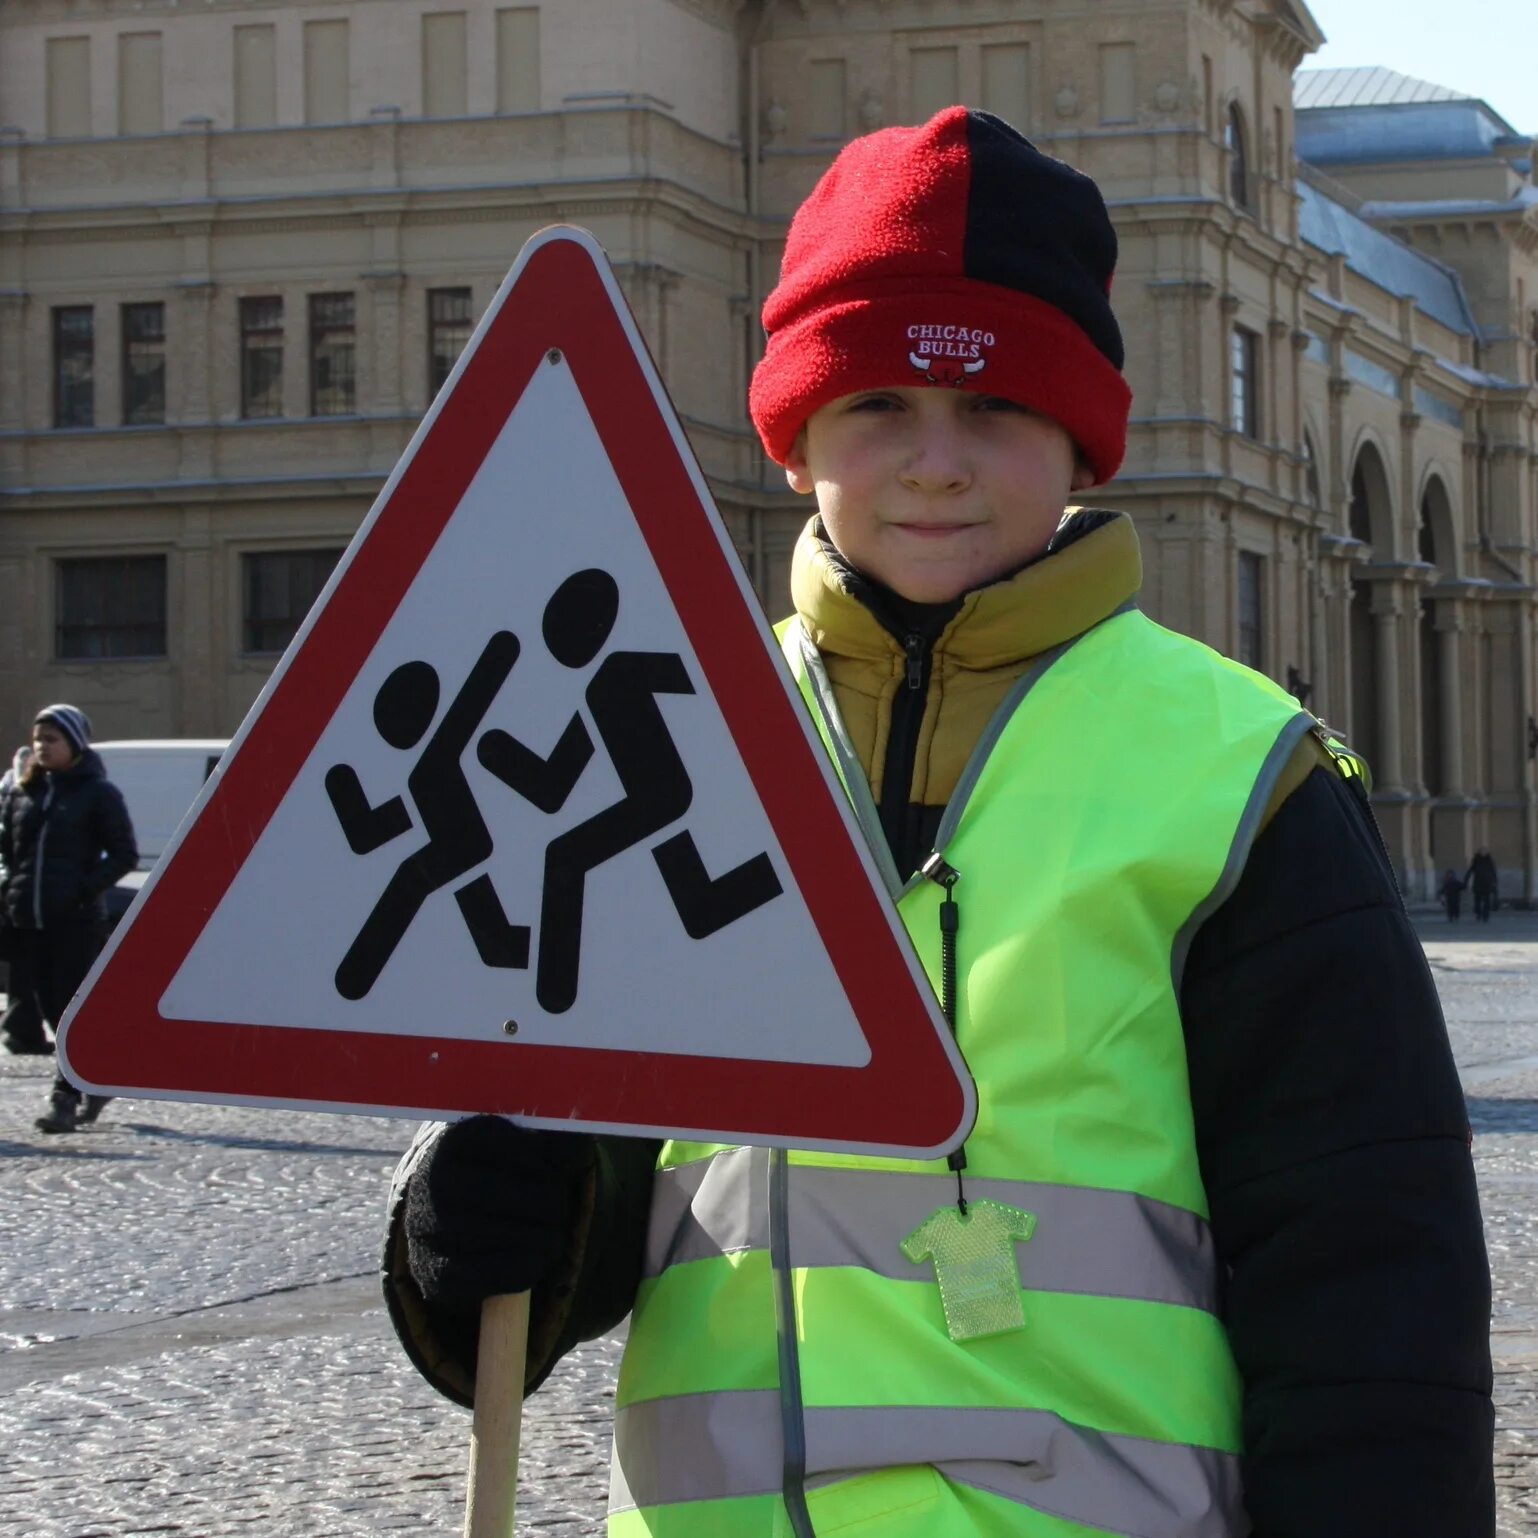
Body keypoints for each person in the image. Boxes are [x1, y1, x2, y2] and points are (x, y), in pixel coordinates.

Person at [381, 110, 1494, 1536]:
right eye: (878, 407)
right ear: (792, 439)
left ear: (1083, 442)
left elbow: (1368, 1283)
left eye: (994, 408)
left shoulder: (1243, 777)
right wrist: (472, 1219)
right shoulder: (665, 734)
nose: (935, 462)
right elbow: (574, 1196)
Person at [0, 706, 137, 1133]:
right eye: (38, 739)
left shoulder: (98, 793)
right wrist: (10, 889)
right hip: (28, 922)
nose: (42, 747)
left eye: (52, 739)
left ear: (75, 744)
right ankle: (92, 1079)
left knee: (68, 1011)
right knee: (47, 1010)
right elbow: (8, 851)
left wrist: (81, 890)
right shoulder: (23, 793)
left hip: (75, 923)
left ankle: (65, 1096)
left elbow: (124, 854)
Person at [0, 744, 51, 1055]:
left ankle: (23, 1028)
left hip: (28, 896)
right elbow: (8, 847)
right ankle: (22, 1028)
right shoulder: (19, 796)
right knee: (27, 970)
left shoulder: (29, 794)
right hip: (22, 897)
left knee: (28, 970)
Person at [1466, 848, 1498, 924]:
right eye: (1481, 851)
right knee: (1477, 901)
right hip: (1478, 884)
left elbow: (1493, 872)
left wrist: (1495, 881)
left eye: (1484, 851)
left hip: (1487, 884)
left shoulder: (1489, 861)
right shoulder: (1476, 860)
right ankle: (1478, 913)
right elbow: (1470, 870)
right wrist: (1466, 880)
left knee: (1486, 901)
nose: (1483, 853)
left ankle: (1485, 915)